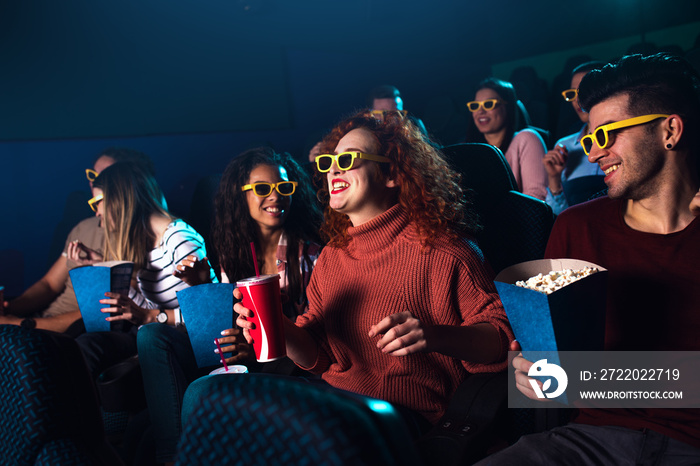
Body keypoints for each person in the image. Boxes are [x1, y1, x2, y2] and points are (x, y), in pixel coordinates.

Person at [226, 110, 513, 437]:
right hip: (335, 402)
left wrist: (433, 335)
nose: (333, 167)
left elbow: (503, 337)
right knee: (207, 396)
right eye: (330, 161)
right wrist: (277, 323)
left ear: (391, 174)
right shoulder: (332, 257)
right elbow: (319, 356)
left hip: (403, 418)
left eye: (348, 159)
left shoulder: (447, 252)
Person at [479, 53, 700, 465]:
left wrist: (581, 380)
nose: (594, 153)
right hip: (588, 441)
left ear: (670, 130)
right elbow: (556, 372)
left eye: (607, 135)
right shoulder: (577, 227)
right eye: (589, 138)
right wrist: (530, 372)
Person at [138, 147, 322, 465]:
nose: (276, 196)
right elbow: (225, 318)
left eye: (284, 187)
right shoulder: (234, 252)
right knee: (151, 336)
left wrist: (251, 346)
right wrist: (204, 289)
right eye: (263, 189)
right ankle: (171, 456)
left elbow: (312, 334)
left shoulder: (310, 256)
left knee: (198, 392)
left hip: (288, 361)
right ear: (242, 196)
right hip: (241, 353)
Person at [70, 162, 215, 377]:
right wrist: (103, 268)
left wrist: (149, 317)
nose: (97, 212)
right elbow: (145, 310)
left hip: (185, 347)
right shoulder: (146, 246)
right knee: (83, 346)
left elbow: (210, 312)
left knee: (89, 349)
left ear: (121, 199)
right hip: (155, 339)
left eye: (97, 202)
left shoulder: (179, 239)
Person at [0, 148, 156, 335]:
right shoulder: (84, 227)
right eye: (92, 174)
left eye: (105, 176)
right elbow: (49, 284)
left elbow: (103, 313)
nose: (93, 181)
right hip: (39, 319)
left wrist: (19, 324)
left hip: (64, 331)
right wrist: (10, 309)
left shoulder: (142, 239)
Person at [466, 78, 548, 200]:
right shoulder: (469, 150)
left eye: (489, 104)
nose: (480, 111)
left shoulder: (526, 138)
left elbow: (537, 197)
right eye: (475, 106)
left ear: (507, 107)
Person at [543, 61, 606, 215]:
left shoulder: (624, 138)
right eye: (572, 94)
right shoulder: (564, 146)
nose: (578, 99)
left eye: (584, 90)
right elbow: (557, 215)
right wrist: (554, 178)